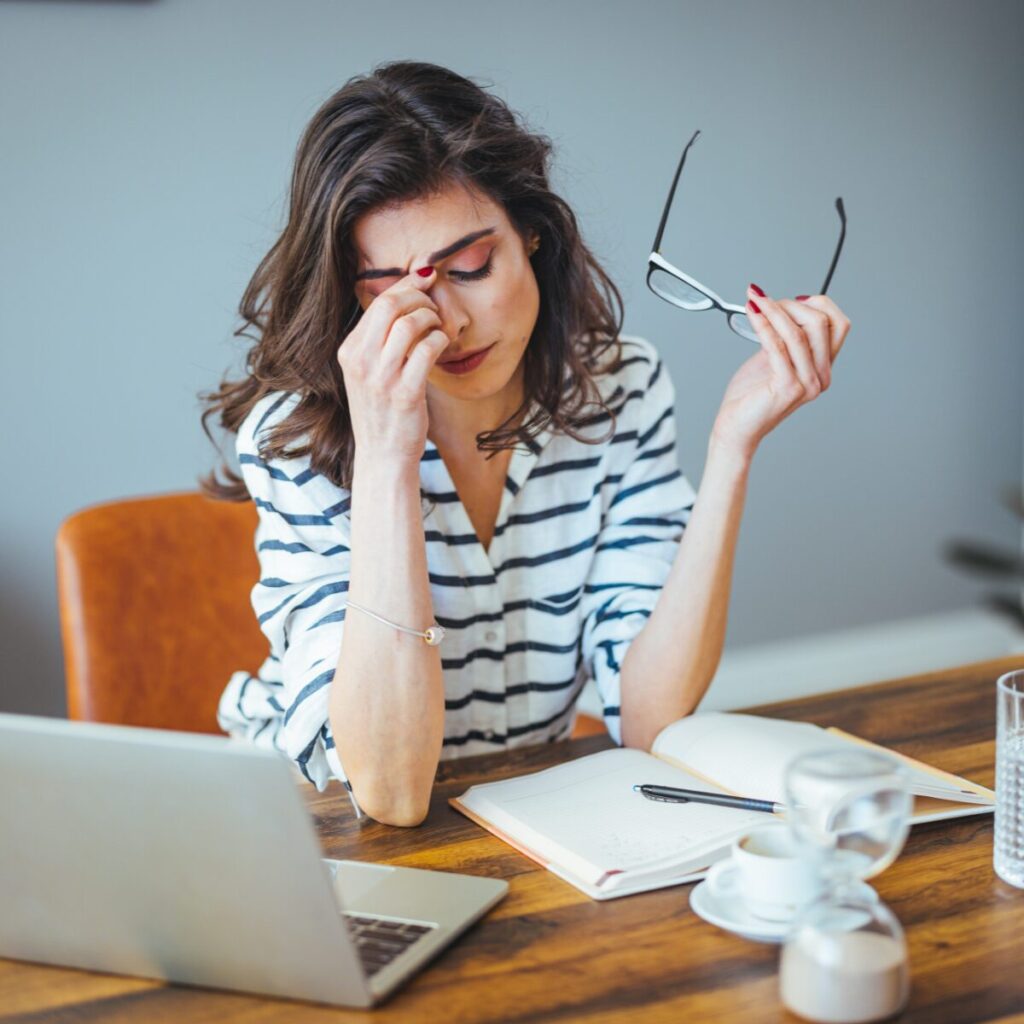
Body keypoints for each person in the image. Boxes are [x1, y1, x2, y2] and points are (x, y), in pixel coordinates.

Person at [200, 60, 851, 827]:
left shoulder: (617, 390)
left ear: (533, 233)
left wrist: (732, 450)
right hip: (314, 829)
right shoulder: (295, 439)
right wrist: (385, 460)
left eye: (472, 266)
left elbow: (649, 723)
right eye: (392, 293)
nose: (450, 323)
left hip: (518, 819)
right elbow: (391, 791)